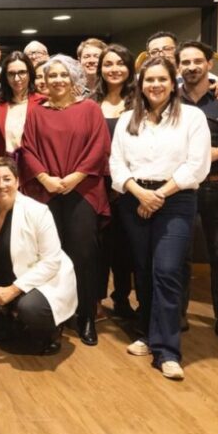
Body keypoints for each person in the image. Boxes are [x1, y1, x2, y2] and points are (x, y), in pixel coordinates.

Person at [110, 57, 210, 381]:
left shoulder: (191, 118)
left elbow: (196, 165)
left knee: (166, 271)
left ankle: (167, 350)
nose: (155, 86)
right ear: (140, 84)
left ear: (173, 81)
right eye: (149, 80)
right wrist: (140, 194)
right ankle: (144, 332)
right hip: (135, 198)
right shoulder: (128, 119)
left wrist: (158, 196)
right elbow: (117, 166)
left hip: (176, 200)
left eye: (161, 80)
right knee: (143, 270)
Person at [19, 55, 109, 346]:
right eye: (52, 75)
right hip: (45, 191)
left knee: (83, 256)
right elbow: (28, 148)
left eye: (63, 75)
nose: (57, 80)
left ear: (74, 79)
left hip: (81, 191)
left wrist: (75, 177)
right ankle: (55, 315)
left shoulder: (90, 109)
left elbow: (99, 146)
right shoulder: (36, 111)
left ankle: (85, 317)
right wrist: (45, 178)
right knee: (49, 256)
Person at [0, 158, 78, 354]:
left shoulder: (38, 211)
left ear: (17, 182)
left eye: (7, 179)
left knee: (31, 308)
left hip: (38, 278)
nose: (1, 185)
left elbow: (51, 262)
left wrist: (13, 290)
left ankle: (50, 332)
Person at [177, 41, 218, 343]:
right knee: (179, 254)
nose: (191, 67)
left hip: (217, 185)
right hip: (181, 187)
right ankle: (178, 315)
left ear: (210, 64)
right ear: (178, 67)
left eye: (197, 61)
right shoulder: (170, 99)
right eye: (185, 62)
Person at [90, 44, 138, 320]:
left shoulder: (139, 101)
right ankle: (96, 298)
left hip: (130, 186)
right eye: (108, 64)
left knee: (125, 247)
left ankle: (122, 299)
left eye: (120, 63)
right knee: (97, 246)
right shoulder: (90, 102)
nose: (114, 69)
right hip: (97, 185)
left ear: (129, 68)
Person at [0, 51, 44, 164]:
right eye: (11, 73)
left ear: (30, 73)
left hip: (36, 168)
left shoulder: (43, 102)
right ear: (5, 76)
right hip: (4, 169)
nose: (17, 78)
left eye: (22, 72)